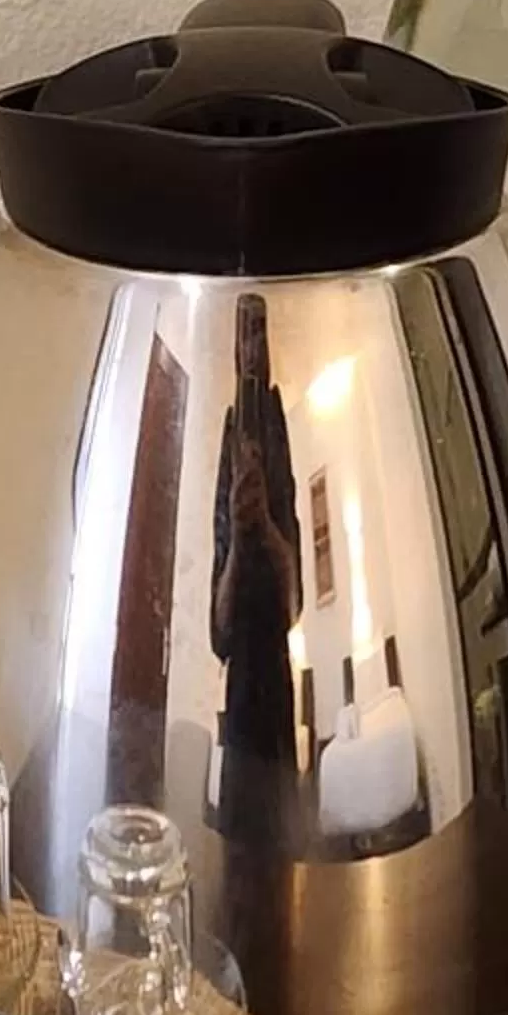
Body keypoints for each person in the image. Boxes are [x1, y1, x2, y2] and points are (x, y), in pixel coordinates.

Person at [210, 293, 304, 855]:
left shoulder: (278, 424)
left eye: (260, 332)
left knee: (285, 827)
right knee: (238, 836)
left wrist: (266, 525)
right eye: (243, 332)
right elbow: (219, 634)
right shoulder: (228, 431)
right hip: (240, 674)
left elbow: (294, 609)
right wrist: (242, 549)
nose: (252, 346)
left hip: (278, 664)